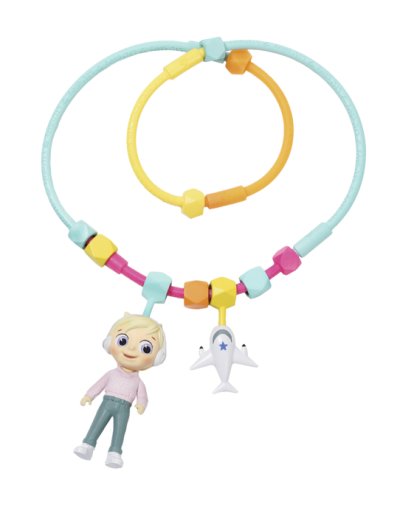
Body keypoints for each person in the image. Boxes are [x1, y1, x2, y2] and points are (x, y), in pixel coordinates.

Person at [73, 313, 166, 468]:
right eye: (123, 341)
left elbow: (142, 395)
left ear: (158, 356)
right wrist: (89, 395)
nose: (131, 349)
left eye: (145, 348)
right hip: (107, 403)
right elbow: (99, 385)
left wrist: (141, 404)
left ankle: (115, 452)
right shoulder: (111, 374)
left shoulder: (137, 381)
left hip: (124, 407)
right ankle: (87, 444)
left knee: (120, 430)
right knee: (97, 423)